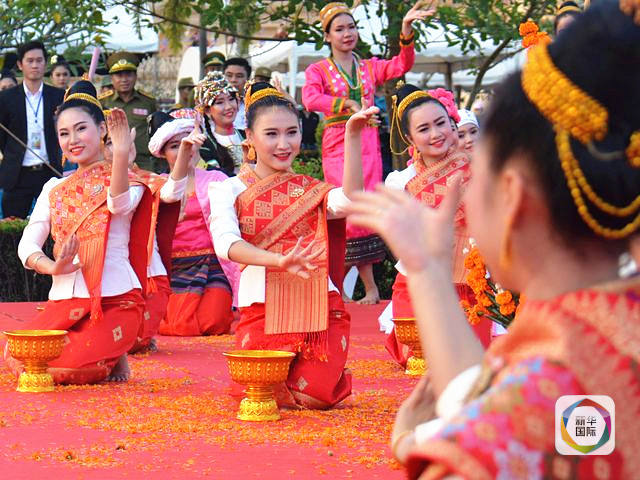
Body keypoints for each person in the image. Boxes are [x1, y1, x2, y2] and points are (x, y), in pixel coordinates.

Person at [347, 2, 640, 477]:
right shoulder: (610, 326)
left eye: (476, 175)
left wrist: (414, 446)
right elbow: (577, 437)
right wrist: (429, 272)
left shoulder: (544, 384)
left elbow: (517, 420)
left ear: (513, 196)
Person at [209, 81, 378, 408]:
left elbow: (350, 201)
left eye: (292, 133)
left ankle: (322, 376)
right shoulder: (228, 189)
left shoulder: (312, 190)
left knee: (312, 396)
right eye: (271, 134)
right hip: (263, 307)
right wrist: (277, 260)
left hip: (320, 307)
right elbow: (226, 244)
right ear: (250, 137)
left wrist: (352, 137)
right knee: (260, 391)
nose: (284, 144)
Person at [7, 81, 153, 384]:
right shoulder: (53, 188)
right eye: (64, 133)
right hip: (66, 301)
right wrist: (52, 267)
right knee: (19, 353)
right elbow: (27, 244)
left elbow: (118, 204)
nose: (72, 140)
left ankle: (110, 352)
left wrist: (120, 155)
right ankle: (110, 355)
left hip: (115, 301)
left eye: (81, 129)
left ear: (102, 129)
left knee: (66, 370)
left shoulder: (130, 181)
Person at [302, 1, 430, 304]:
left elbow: (401, 65)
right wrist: (344, 104)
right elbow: (310, 98)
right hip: (338, 142)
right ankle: (348, 287)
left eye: (351, 27)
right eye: (339, 29)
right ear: (327, 36)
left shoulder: (368, 67)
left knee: (366, 208)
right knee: (347, 206)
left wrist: (406, 30)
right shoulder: (318, 70)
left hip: (368, 142)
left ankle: (363, 288)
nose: (347, 33)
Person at [383, 86, 491, 368]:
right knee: (422, 358)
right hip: (420, 285)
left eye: (441, 123)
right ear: (410, 139)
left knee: (467, 364)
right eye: (424, 129)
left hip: (470, 288)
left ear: (452, 124)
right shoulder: (401, 182)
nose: (435, 134)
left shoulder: (481, 170)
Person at [147, 110, 238, 336]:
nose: (184, 150)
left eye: (187, 143)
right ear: (163, 153)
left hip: (212, 264)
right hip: (173, 266)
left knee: (213, 322)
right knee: (174, 324)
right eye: (175, 146)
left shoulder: (217, 179)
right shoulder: (157, 185)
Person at [0, 40, 64, 219]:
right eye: (30, 61)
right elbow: (3, 136)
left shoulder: (59, 96)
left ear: (45, 63)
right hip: (17, 173)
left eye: (39, 60)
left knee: (54, 224)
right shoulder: (6, 98)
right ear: (20, 65)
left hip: (49, 171)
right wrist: (13, 153)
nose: (35, 65)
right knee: (13, 226)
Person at [100, 52, 159, 173]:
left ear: (136, 76)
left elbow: (156, 132)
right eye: (119, 75)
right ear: (111, 78)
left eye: (128, 74)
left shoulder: (148, 102)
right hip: (111, 161)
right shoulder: (102, 102)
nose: (124, 80)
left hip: (143, 163)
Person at [194, 72, 245, 175]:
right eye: (220, 102)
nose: (228, 107)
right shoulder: (204, 145)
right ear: (207, 111)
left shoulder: (248, 135)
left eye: (231, 99)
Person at [223, 57, 251, 130]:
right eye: (229, 75)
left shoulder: (253, 105)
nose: (233, 80)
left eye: (239, 76)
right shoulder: (211, 105)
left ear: (248, 79)